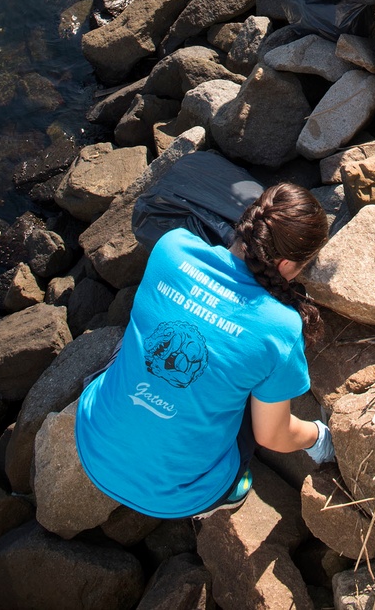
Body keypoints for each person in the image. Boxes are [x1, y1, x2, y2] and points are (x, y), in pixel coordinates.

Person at [74, 183, 333, 521]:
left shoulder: (172, 247)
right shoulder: (281, 328)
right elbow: (272, 435)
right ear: (286, 264)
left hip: (93, 441)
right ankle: (227, 492)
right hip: (178, 495)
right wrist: (320, 438)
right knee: (252, 404)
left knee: (148, 336)